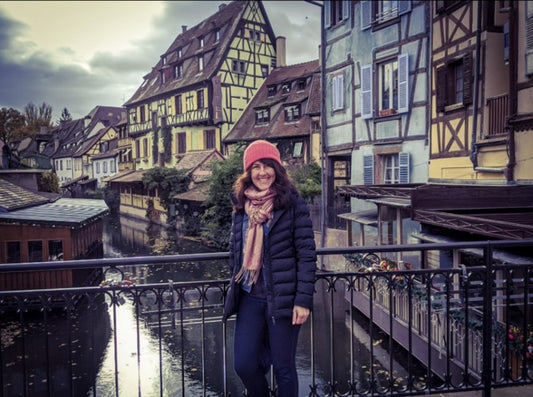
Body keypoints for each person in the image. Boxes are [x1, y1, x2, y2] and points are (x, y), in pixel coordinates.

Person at [223, 140, 317, 397]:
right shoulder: (242, 206)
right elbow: (235, 251)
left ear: (277, 169)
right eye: (256, 167)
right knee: (243, 364)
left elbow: (307, 254)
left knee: (284, 368)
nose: (262, 172)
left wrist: (303, 301)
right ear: (248, 172)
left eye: (268, 166)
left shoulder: (292, 203)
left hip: (284, 299)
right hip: (250, 297)